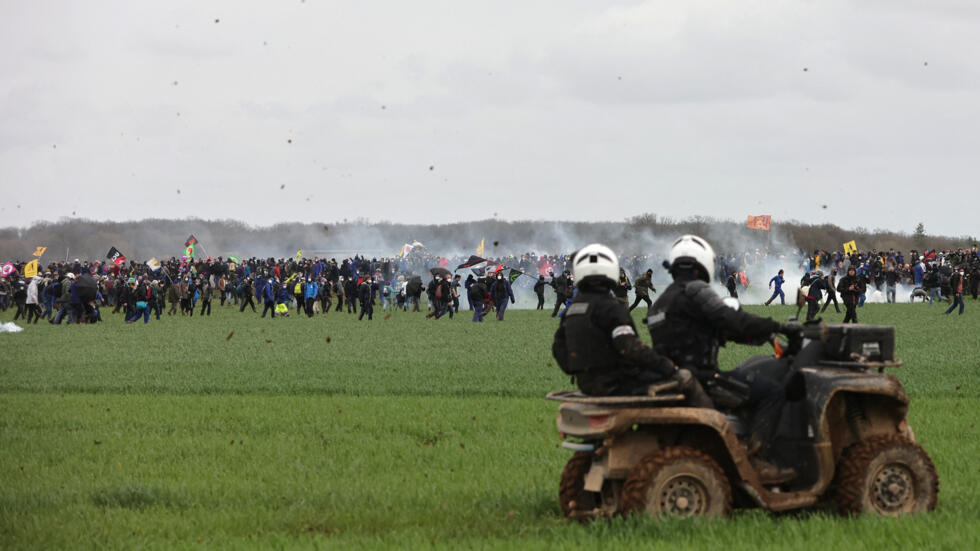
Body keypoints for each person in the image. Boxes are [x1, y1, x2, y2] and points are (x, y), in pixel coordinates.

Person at [647, 235, 796, 484]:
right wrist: (778, 325)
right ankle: (759, 462)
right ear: (702, 263)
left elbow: (711, 329)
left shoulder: (661, 302)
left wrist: (758, 335)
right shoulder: (695, 290)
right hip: (703, 378)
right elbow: (729, 318)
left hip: (675, 377)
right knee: (772, 392)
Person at [552, 243, 711, 404]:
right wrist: (670, 369)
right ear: (611, 270)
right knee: (689, 381)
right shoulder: (611, 308)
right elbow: (631, 347)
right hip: (619, 383)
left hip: (587, 384)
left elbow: (559, 349)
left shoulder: (571, 311)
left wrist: (582, 371)